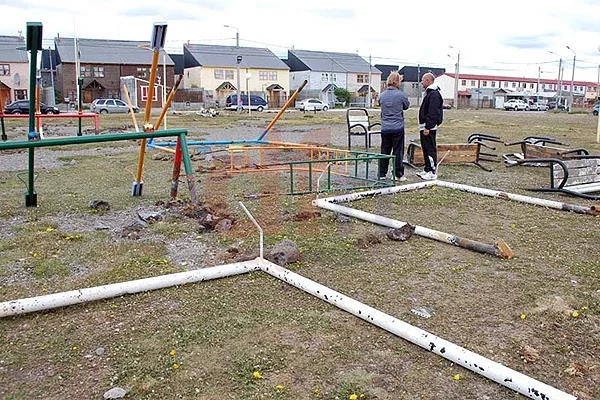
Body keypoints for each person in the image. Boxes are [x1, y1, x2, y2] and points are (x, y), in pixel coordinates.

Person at [378, 71, 410, 181]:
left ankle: (382, 173)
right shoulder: (401, 95)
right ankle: (398, 174)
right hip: (397, 127)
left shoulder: (382, 95)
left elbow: (380, 104)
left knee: (385, 150)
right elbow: (406, 106)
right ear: (397, 81)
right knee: (397, 151)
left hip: (385, 127)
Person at [417, 72, 443, 180]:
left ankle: (432, 172)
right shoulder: (429, 93)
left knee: (430, 148)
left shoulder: (434, 94)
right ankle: (427, 168)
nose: (421, 82)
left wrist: (428, 126)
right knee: (425, 147)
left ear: (428, 80)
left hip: (429, 127)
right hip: (424, 125)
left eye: (423, 80)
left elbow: (433, 112)